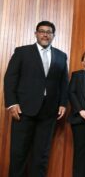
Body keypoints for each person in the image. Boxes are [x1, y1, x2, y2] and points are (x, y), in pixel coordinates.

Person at [3, 21, 68, 177]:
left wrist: (63, 104)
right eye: (42, 31)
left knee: (41, 154)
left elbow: (63, 82)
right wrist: (12, 103)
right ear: (36, 33)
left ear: (53, 36)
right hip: (23, 110)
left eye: (49, 32)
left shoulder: (61, 56)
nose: (45, 34)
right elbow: (10, 78)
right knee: (19, 152)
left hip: (49, 112)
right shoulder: (22, 52)